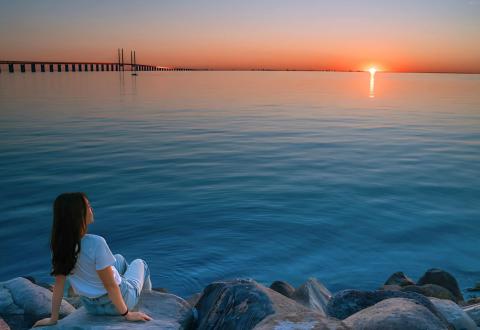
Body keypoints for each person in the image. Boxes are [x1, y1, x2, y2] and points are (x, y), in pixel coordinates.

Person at [33, 192, 153, 327]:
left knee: (118, 259)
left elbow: (59, 285)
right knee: (140, 263)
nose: (92, 209)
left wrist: (53, 319)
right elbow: (110, 286)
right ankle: (148, 298)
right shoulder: (96, 243)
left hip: (91, 307)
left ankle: (125, 283)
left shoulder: (59, 247)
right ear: (79, 215)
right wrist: (127, 314)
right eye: (88, 206)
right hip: (119, 303)